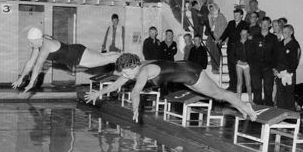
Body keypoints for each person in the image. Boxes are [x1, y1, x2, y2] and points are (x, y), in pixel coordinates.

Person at [84, 53, 257, 122]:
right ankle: (242, 107)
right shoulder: (134, 68)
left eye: (126, 73)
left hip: (191, 73)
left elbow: (136, 91)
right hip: (183, 72)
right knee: (218, 95)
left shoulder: (144, 71)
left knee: (219, 94)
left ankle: (246, 107)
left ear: (132, 67)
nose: (125, 76)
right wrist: (99, 92)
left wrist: (135, 109)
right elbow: (116, 84)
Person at [12, 27, 122, 92]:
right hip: (77, 51)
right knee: (104, 57)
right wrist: (21, 77)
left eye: (31, 42)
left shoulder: (45, 45)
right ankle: (125, 57)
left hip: (79, 56)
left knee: (106, 60)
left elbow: (37, 66)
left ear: (37, 39)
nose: (30, 44)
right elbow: (30, 62)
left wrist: (31, 83)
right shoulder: (38, 46)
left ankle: (130, 63)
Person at [217, 8, 249, 92]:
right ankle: (232, 86)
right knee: (231, 69)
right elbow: (226, 32)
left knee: (239, 68)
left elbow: (245, 36)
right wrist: (221, 39)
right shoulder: (231, 23)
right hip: (230, 49)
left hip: (239, 50)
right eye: (234, 15)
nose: (235, 16)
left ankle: (242, 87)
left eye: (237, 15)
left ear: (241, 15)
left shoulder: (245, 24)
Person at [248, 17, 278, 106]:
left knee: (268, 88)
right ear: (260, 24)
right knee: (256, 88)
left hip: (268, 67)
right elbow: (250, 51)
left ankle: (268, 107)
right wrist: (251, 64)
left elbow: (276, 53)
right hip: (256, 67)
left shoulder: (273, 38)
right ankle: (258, 107)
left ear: (269, 25)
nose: (264, 26)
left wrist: (274, 67)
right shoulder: (255, 37)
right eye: (263, 24)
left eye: (267, 24)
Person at [274, 24, 300, 110]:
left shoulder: (294, 45)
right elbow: (276, 57)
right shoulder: (280, 44)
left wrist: (287, 72)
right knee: (280, 94)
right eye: (283, 32)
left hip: (289, 74)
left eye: (286, 32)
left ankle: (291, 115)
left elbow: (295, 61)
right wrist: (275, 69)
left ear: (291, 32)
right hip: (279, 73)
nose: (284, 33)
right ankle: (280, 114)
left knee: (289, 94)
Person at [206, 2, 227, 73]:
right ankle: (213, 61)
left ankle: (215, 67)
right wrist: (209, 19)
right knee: (211, 49)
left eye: (212, 9)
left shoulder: (221, 16)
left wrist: (218, 38)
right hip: (212, 35)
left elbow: (223, 28)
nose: (211, 10)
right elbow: (211, 28)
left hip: (219, 36)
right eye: (210, 9)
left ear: (216, 8)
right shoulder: (211, 17)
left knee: (216, 51)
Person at [233, 27, 253, 102]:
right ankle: (238, 100)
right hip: (239, 64)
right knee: (239, 82)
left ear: (248, 34)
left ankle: (250, 100)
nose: (243, 35)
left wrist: (248, 62)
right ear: (240, 34)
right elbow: (232, 55)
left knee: (248, 83)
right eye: (242, 33)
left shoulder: (251, 43)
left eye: (245, 34)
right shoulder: (236, 43)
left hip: (247, 64)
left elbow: (253, 54)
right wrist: (237, 61)